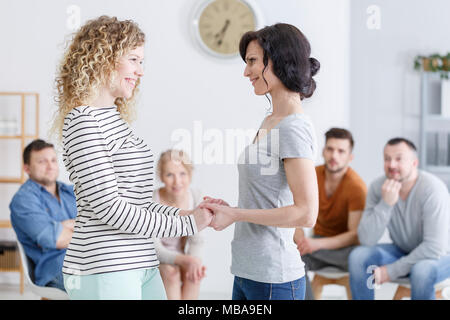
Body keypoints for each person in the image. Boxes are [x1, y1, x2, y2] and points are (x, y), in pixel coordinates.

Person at [51, 16, 212, 300]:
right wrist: (188, 223)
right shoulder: (82, 121)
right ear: (104, 58)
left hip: (141, 261)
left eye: (141, 62)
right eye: (134, 60)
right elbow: (110, 208)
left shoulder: (114, 119)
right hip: (104, 266)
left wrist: (189, 214)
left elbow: (137, 203)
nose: (140, 71)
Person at [201, 23, 320, 300]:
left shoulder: (293, 127)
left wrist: (238, 214)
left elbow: (306, 213)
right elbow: (270, 200)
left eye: (253, 61)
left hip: (273, 278)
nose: (246, 71)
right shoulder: (270, 121)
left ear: (278, 60)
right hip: (247, 271)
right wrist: (232, 210)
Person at [349, 138, 450, 300]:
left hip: (441, 255)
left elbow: (435, 247)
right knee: (358, 257)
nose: (392, 165)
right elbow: (366, 239)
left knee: (421, 271)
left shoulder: (433, 189)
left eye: (398, 159)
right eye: (387, 159)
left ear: (414, 163)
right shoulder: (377, 187)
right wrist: (385, 204)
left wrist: (391, 271)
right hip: (402, 249)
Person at [294, 128, 367, 300]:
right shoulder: (312, 175)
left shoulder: (356, 187)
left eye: (341, 151)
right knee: (293, 257)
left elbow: (354, 235)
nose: (334, 155)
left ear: (350, 157)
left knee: (361, 258)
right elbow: (296, 212)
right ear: (323, 151)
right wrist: (299, 238)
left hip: (346, 251)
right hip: (317, 243)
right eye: (330, 149)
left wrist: (317, 245)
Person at [10, 139, 77, 291]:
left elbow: (101, 223)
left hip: (89, 259)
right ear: (27, 168)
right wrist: (84, 227)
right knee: (110, 284)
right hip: (58, 269)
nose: (50, 166)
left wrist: (64, 226)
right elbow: (57, 239)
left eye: (53, 160)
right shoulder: (24, 200)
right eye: (42, 162)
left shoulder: (71, 192)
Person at [153, 150, 206, 300]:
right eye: (169, 175)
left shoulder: (195, 196)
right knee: (171, 273)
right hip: (155, 258)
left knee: (194, 274)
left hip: (182, 256)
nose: (177, 182)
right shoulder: (152, 199)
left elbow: (198, 241)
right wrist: (187, 261)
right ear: (161, 176)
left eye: (182, 173)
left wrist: (194, 263)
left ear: (190, 174)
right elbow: (154, 248)